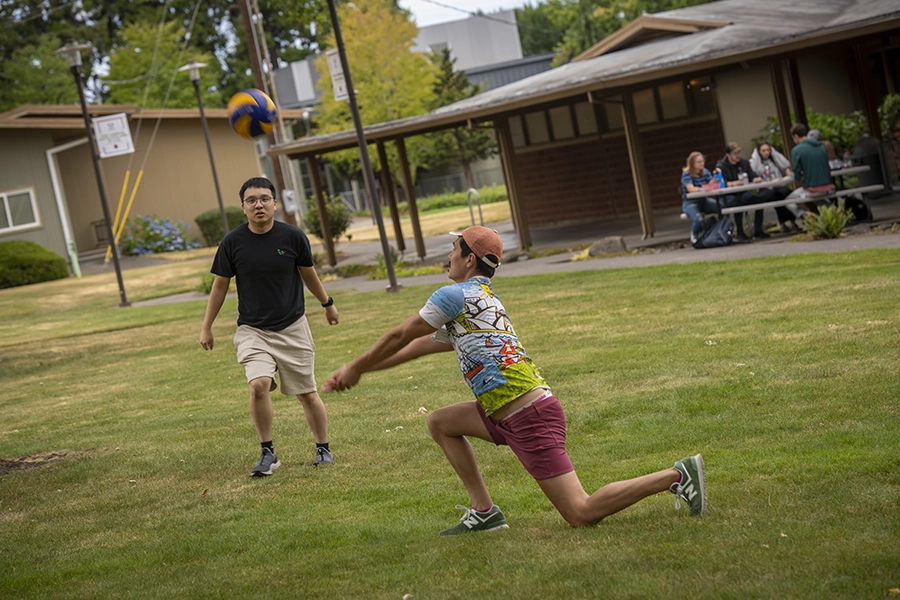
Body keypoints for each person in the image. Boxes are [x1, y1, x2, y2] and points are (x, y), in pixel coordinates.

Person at [322, 226, 707, 535]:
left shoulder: (455, 295)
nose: (448, 257)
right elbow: (416, 347)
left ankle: (675, 475)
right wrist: (359, 371)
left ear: (469, 259)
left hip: (528, 414)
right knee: (441, 422)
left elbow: (398, 335)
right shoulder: (480, 299)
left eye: (454, 250)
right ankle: (484, 512)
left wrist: (355, 366)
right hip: (504, 410)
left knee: (580, 512)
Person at [200, 176, 340, 477]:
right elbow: (220, 286)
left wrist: (327, 305)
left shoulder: (292, 237)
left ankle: (323, 448)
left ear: (275, 203)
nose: (258, 204)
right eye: (251, 200)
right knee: (258, 386)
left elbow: (309, 275)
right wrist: (206, 326)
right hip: (253, 330)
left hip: (293, 327)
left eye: (264, 198)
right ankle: (267, 453)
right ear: (243, 207)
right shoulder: (232, 243)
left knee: (307, 393)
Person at [716, 142, 775, 241]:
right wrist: (733, 183)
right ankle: (740, 232)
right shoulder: (721, 166)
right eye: (735, 153)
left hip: (743, 193)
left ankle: (758, 229)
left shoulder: (744, 162)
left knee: (759, 200)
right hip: (728, 196)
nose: (738, 155)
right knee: (737, 203)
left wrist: (756, 179)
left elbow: (751, 175)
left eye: (738, 152)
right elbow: (721, 183)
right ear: (728, 155)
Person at [749, 142, 803, 232]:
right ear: (759, 152)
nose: (766, 153)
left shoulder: (774, 160)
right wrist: (755, 155)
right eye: (763, 151)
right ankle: (783, 223)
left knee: (787, 194)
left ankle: (792, 221)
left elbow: (786, 164)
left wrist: (774, 152)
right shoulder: (756, 162)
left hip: (779, 185)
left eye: (768, 150)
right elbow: (753, 169)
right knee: (777, 196)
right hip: (765, 188)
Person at [680, 152, 721, 245]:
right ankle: (694, 234)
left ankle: (719, 229)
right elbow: (691, 189)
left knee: (722, 208)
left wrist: (716, 177)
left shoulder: (705, 171)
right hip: (690, 202)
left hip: (704, 200)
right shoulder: (687, 174)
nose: (702, 163)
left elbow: (711, 185)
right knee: (699, 219)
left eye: (702, 161)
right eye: (699, 162)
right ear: (692, 164)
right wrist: (703, 188)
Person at [786, 123, 834, 203]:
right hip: (829, 186)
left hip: (812, 188)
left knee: (789, 201)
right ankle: (833, 213)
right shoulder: (822, 147)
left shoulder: (796, 150)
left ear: (796, 136)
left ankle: (803, 215)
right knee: (821, 202)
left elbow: (797, 176)